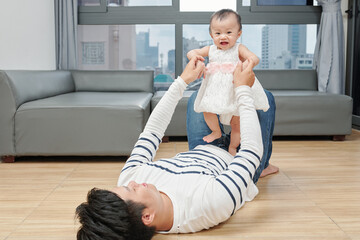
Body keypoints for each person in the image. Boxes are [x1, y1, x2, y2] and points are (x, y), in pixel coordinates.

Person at [75, 57, 278, 240]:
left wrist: (182, 81)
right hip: (236, 156)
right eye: (132, 189)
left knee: (196, 100)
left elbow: (152, 133)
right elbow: (250, 152)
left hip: (203, 146)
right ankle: (265, 166)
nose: (134, 182)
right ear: (147, 216)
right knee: (263, 97)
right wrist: (242, 89)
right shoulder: (207, 206)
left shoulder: (128, 181)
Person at [187, 9, 269, 156]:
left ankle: (233, 146)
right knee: (206, 109)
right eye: (218, 33)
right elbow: (193, 52)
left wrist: (250, 63)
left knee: (236, 123)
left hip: (235, 89)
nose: (223, 36)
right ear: (212, 35)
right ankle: (216, 131)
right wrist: (194, 57)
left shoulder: (239, 48)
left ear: (238, 34)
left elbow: (254, 57)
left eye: (229, 32)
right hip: (216, 90)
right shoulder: (211, 49)